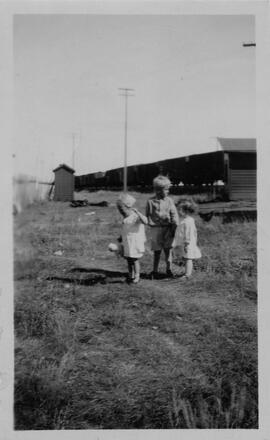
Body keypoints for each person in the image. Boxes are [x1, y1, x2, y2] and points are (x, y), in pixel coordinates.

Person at [146, 175, 179, 278]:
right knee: (157, 251)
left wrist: (174, 225)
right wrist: (150, 223)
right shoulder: (150, 201)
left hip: (168, 229)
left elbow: (174, 214)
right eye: (166, 190)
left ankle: (169, 269)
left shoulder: (169, 201)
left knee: (168, 250)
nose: (168, 192)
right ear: (158, 190)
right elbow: (147, 215)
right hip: (156, 229)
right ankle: (155, 270)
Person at [116, 193, 148, 284]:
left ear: (128, 207)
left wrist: (138, 212)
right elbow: (125, 229)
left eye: (122, 209)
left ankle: (137, 276)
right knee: (129, 259)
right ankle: (131, 275)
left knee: (134, 259)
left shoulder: (135, 216)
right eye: (120, 210)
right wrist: (121, 237)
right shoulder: (125, 218)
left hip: (135, 242)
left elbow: (146, 221)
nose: (121, 211)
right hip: (128, 241)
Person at [176, 199, 201, 279]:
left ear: (185, 211)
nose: (178, 211)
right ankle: (187, 272)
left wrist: (186, 244)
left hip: (188, 242)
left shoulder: (189, 221)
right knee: (186, 257)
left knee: (188, 258)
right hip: (184, 242)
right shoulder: (183, 219)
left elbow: (188, 233)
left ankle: (187, 275)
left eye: (179, 210)